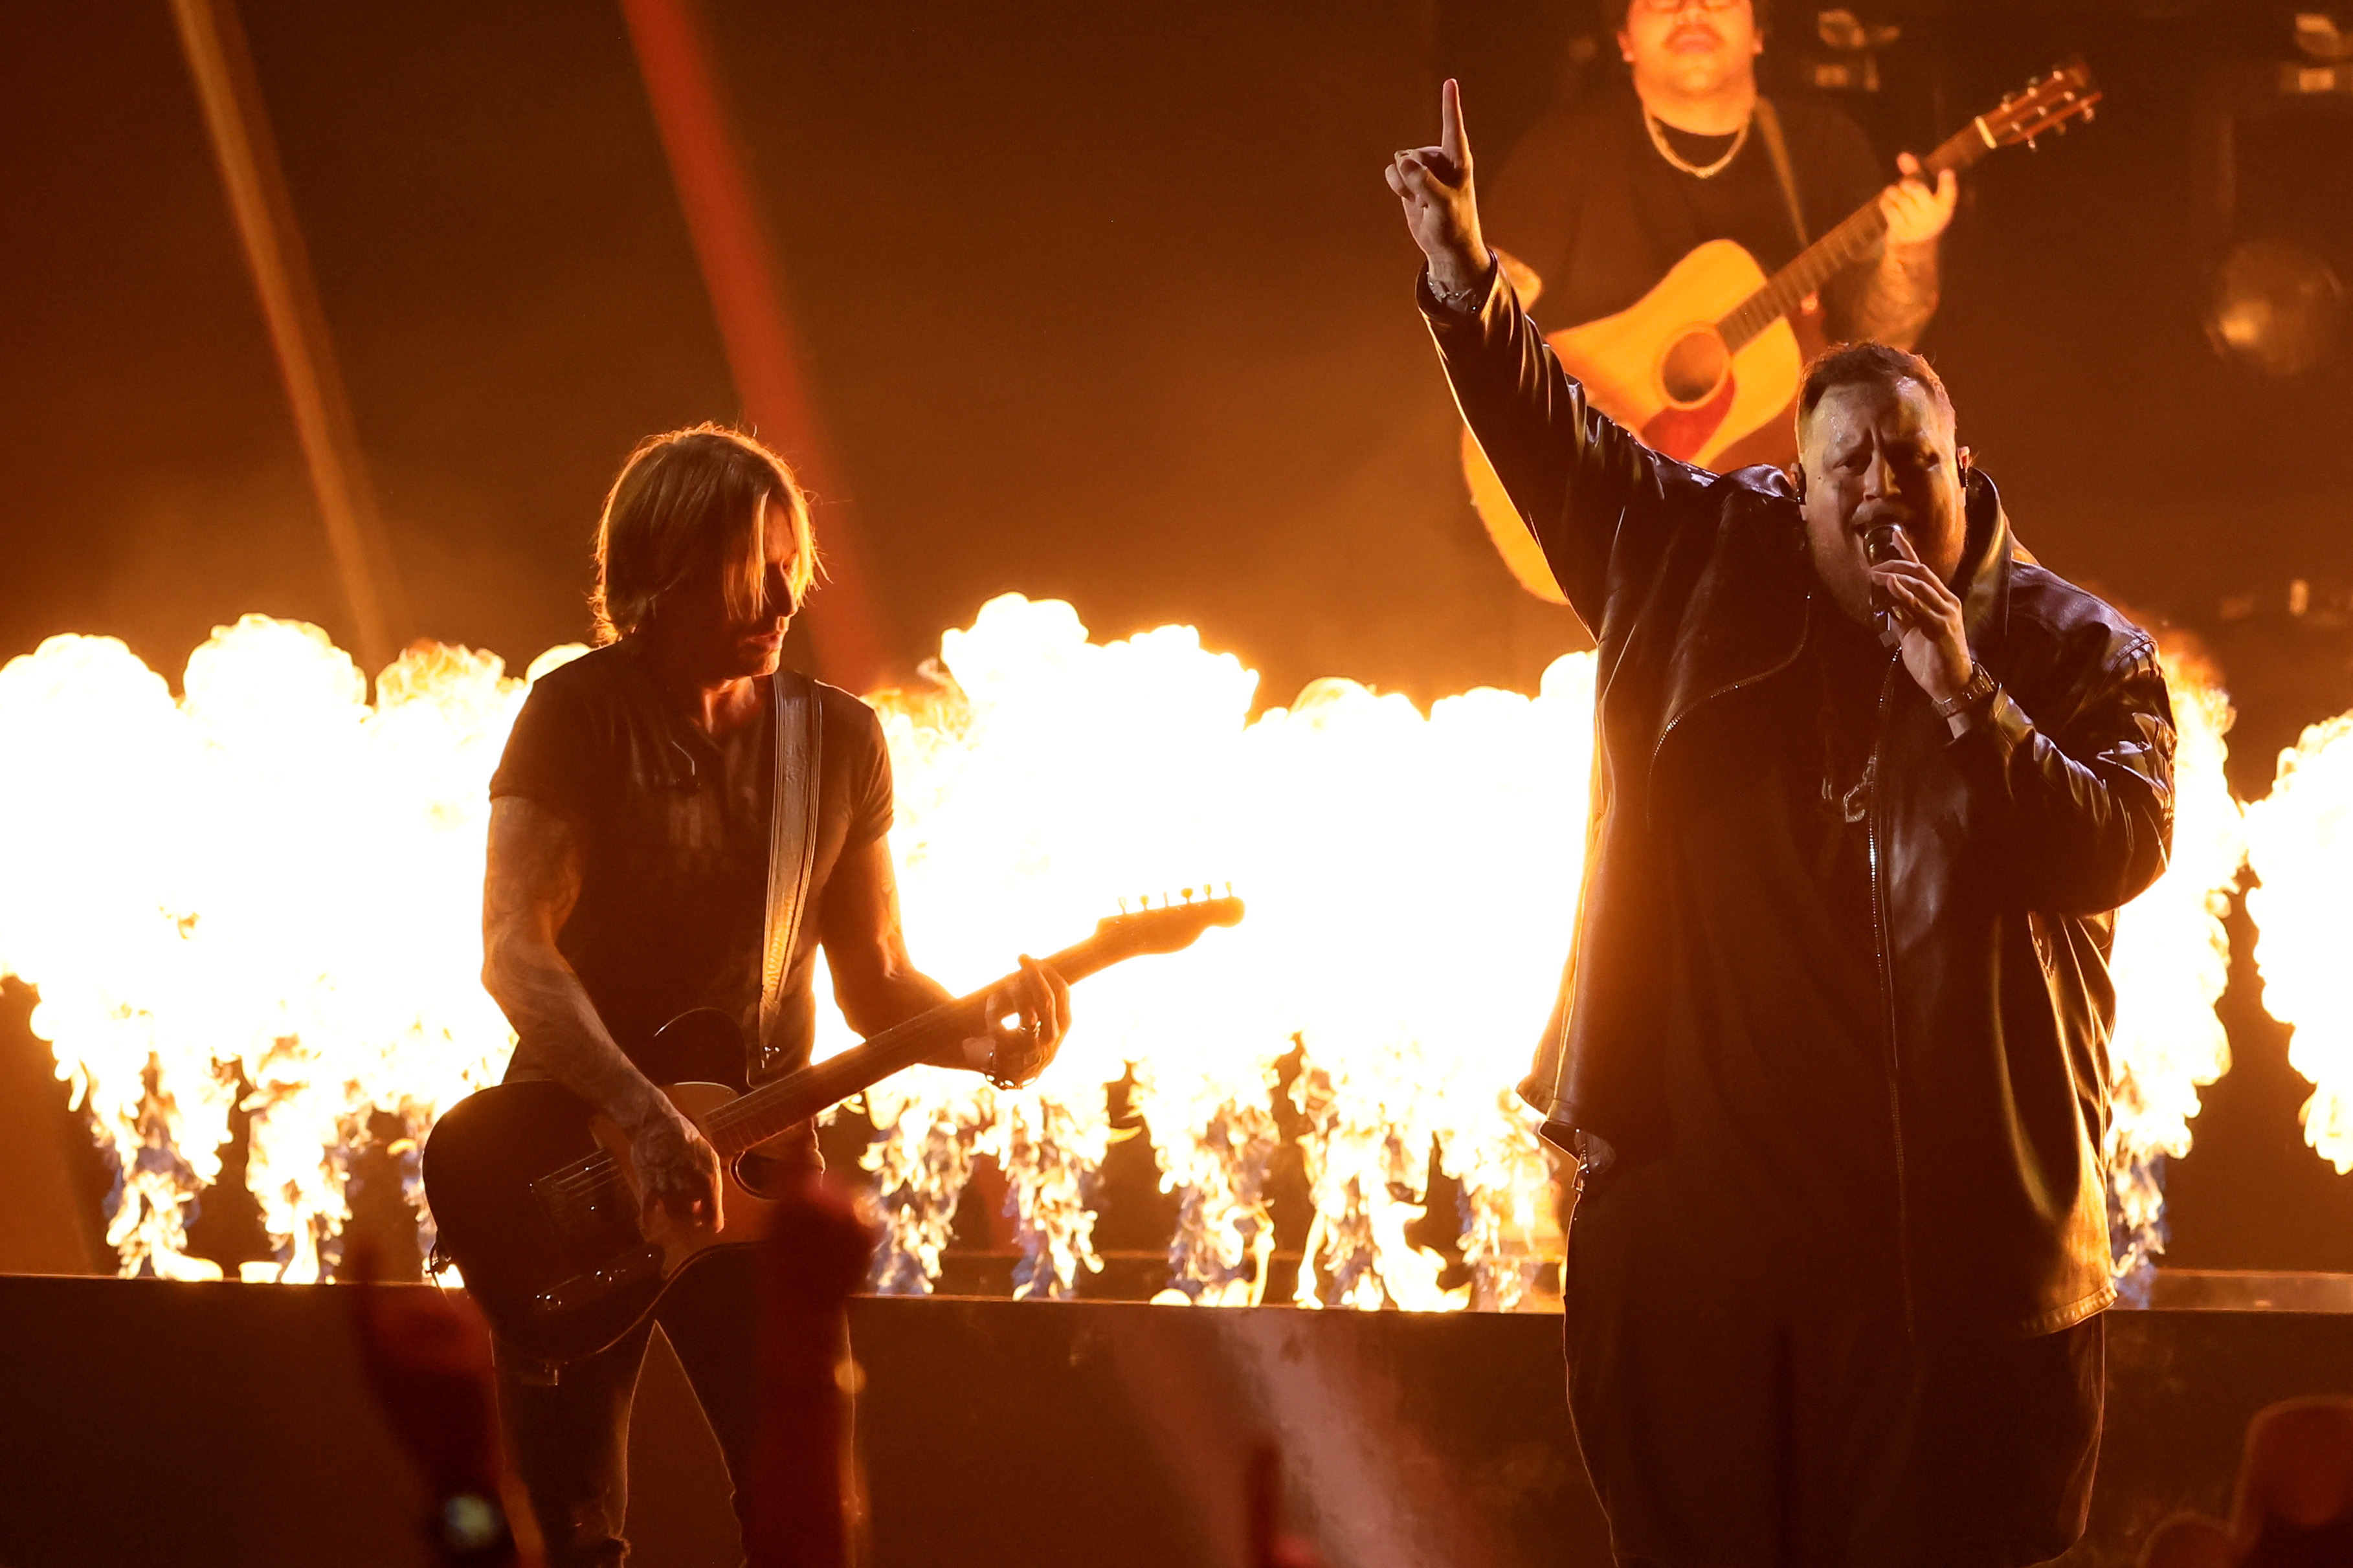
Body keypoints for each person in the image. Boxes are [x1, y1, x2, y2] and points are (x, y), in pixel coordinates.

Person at [1388, 83, 2175, 1565]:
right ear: (1791, 483)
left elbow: (2118, 845)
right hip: (1703, 1264)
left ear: (1961, 468)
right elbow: (1557, 442)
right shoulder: (1692, 562)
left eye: (1912, 466)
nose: (1881, 496)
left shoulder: (2070, 649)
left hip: (1953, 1273)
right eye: (1846, 471)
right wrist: (1463, 280)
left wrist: (1966, 698)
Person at [478, 424, 1072, 1566]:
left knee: (806, 1520)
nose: (786, 592)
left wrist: (992, 1037)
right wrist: (646, 1118)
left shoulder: (840, 741)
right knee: (565, 1535)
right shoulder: (574, 712)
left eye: (793, 560)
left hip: (758, 1175)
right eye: (755, 563)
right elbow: (514, 949)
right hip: (569, 1164)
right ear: (661, 573)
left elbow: (880, 979)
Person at [1485, 0, 1955, 459]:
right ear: (1625, 40)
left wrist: (1912, 249)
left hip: (1784, 503)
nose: (1691, 10)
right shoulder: (1563, 153)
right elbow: (1473, 316)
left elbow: (1880, 344)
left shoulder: (1825, 146)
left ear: (1757, 33)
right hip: (1609, 509)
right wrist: (1581, 414)